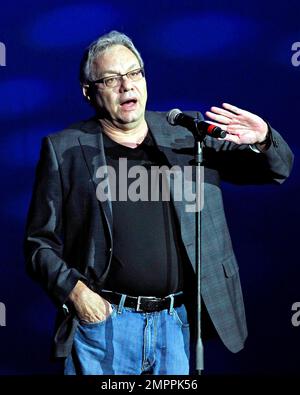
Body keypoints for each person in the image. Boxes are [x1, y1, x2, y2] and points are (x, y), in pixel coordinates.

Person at [24, 30, 294, 375]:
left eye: (134, 73)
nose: (127, 86)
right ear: (89, 92)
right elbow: (38, 243)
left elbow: (277, 170)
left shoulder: (188, 135)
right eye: (111, 79)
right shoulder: (64, 150)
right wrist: (75, 293)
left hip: (175, 324)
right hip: (105, 326)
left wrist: (264, 139)